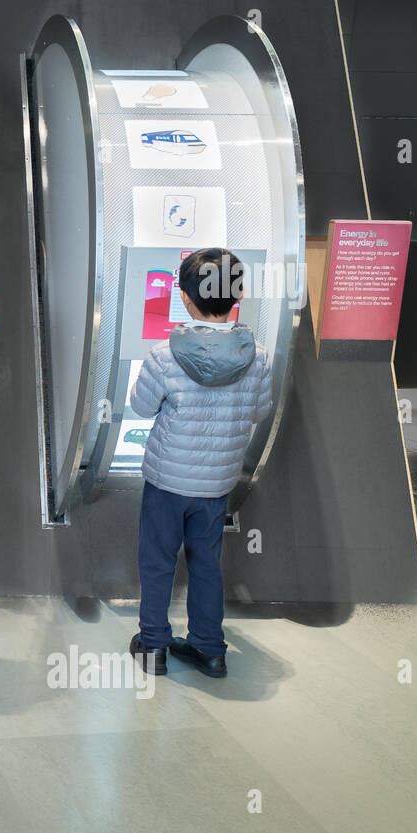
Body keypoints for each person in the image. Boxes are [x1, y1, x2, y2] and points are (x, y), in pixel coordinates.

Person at [128, 247, 273, 678]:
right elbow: (260, 411)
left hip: (167, 480)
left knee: (157, 561)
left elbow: (140, 407)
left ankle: (153, 646)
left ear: (186, 299)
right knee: (207, 562)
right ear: (239, 294)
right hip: (217, 485)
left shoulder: (163, 355)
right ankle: (210, 649)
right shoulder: (258, 356)